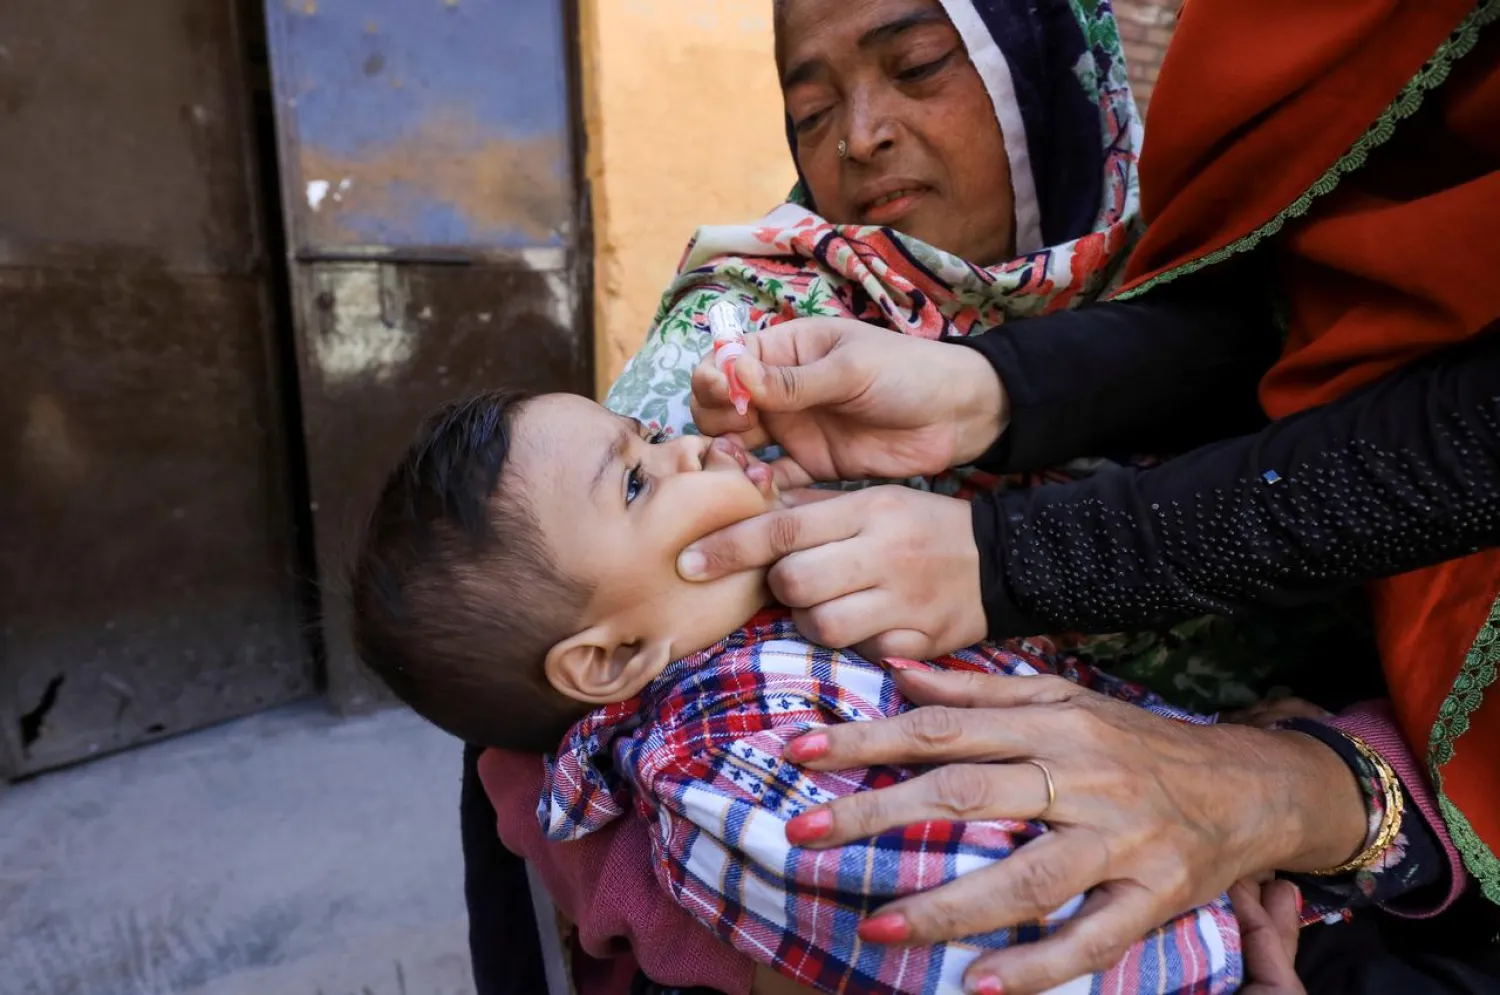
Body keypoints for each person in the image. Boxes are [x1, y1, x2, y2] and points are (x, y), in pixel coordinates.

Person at [462, 1, 1488, 993]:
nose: (859, 138)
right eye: (810, 112)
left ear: (1047, 72)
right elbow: (535, 664)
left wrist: (1306, 796)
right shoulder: (759, 355)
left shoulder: (1213, 253)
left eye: (916, 68)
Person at [355, 388, 1260, 993]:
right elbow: (1008, 935)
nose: (694, 450)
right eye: (637, 478)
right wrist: (1246, 869)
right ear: (611, 656)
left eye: (655, 435)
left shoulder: (786, 628)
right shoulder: (726, 755)